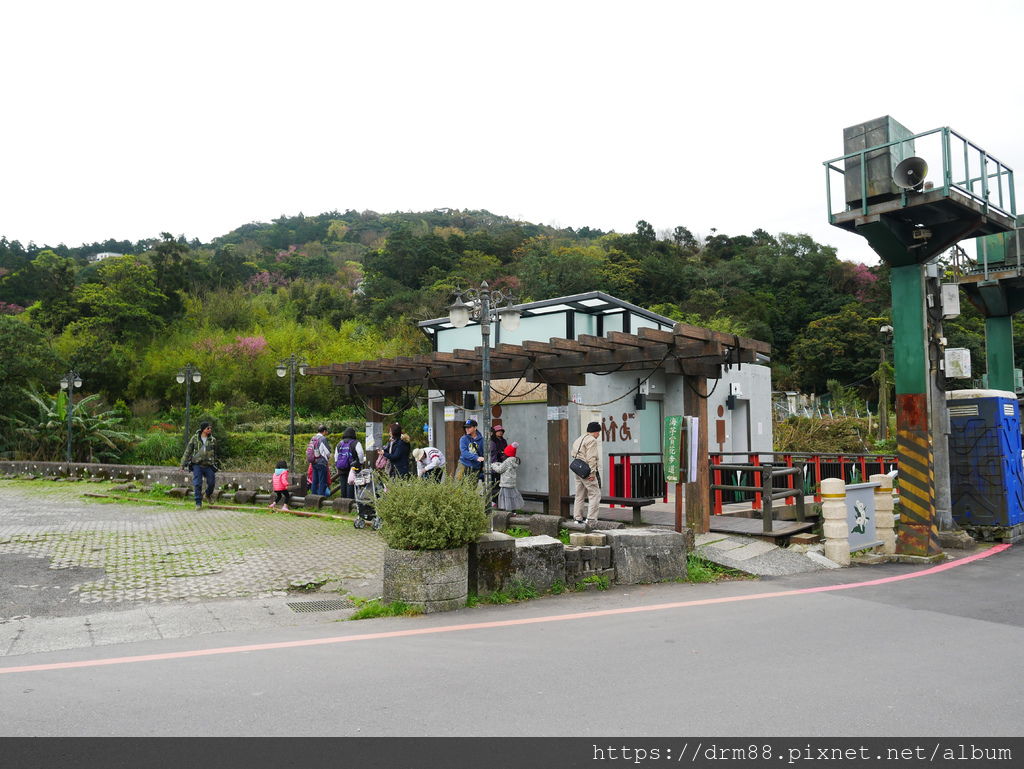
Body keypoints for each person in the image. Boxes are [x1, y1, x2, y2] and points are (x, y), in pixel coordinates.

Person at [570, 421, 602, 526]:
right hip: (587, 471)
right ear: (596, 432)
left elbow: (573, 453)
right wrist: (592, 473)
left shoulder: (579, 439)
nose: (599, 434)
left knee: (579, 494)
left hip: (577, 469)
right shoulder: (592, 440)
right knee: (595, 494)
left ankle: (577, 518)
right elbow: (591, 458)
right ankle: (591, 519)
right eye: (599, 432)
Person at [180, 421, 218, 510]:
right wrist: (182, 464)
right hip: (197, 465)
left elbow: (215, 453)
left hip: (209, 465)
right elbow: (187, 451)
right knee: (197, 484)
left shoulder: (213, 440)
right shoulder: (195, 438)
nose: (210, 430)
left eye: (210, 428)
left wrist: (215, 462)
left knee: (212, 483)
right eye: (208, 428)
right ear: (203, 429)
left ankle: (208, 495)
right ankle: (198, 503)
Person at [490, 443, 524, 511]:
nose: (503, 455)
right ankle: (513, 512)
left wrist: (493, 465)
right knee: (511, 498)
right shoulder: (513, 461)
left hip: (505, 484)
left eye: (504, 453)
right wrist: (499, 464)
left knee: (505, 499)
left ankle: (506, 512)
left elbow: (499, 470)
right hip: (511, 484)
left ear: (507, 454)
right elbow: (504, 466)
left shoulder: (507, 462)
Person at [334, 427, 366, 499]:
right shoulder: (356, 443)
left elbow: (336, 456)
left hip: (341, 467)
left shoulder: (339, 443)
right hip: (353, 467)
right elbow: (360, 454)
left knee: (343, 484)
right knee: (351, 483)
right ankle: (350, 501)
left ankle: (343, 501)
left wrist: (338, 465)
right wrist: (360, 462)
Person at [488, 424, 508, 506]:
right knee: (493, 484)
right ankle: (492, 501)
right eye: (498, 431)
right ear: (494, 432)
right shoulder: (492, 441)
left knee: (500, 483)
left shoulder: (503, 441)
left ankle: (499, 501)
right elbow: (492, 454)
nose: (500, 433)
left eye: (501, 431)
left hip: (502, 463)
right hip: (494, 464)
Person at [309, 425, 332, 496]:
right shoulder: (323, 439)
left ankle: (313, 497)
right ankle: (320, 498)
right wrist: (328, 458)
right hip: (321, 462)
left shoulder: (313, 438)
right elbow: (327, 451)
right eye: (326, 431)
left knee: (314, 480)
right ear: (324, 431)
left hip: (313, 462)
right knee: (322, 481)